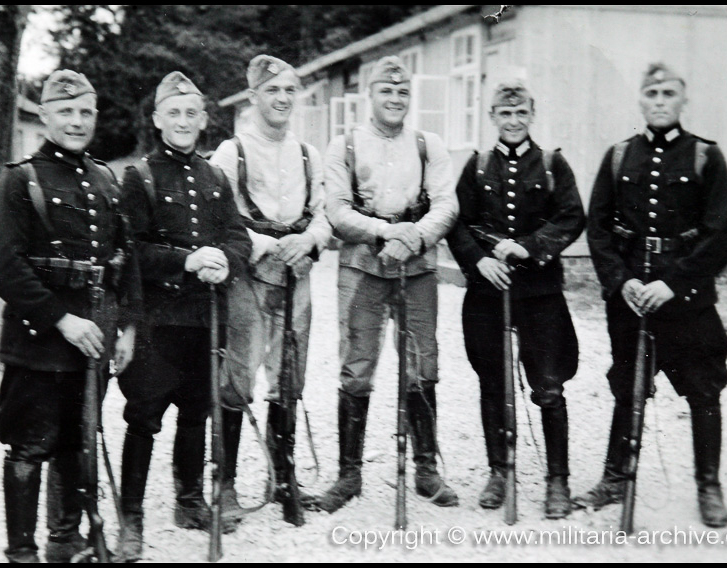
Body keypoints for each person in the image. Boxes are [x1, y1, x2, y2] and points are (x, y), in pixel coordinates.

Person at [0, 69, 140, 563]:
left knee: (78, 441)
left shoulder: (104, 179)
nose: (76, 122)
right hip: (39, 339)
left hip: (93, 339)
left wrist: (128, 327)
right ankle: (22, 553)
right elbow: (1, 266)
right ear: (45, 115)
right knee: (29, 446)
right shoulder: (20, 179)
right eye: (65, 111)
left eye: (85, 112)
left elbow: (125, 258)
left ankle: (65, 540)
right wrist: (61, 320)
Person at [578, 63, 727, 528]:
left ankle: (708, 484)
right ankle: (614, 478)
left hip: (685, 298)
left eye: (669, 92)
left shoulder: (706, 156)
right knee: (628, 386)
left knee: (703, 388)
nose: (660, 100)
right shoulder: (618, 156)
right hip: (631, 297)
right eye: (652, 92)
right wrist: (620, 281)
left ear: (683, 100)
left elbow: (722, 233)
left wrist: (674, 283)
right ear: (641, 101)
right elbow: (599, 229)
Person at [309, 56, 460, 513]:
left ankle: (426, 469)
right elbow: (336, 210)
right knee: (356, 365)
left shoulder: (427, 144)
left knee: (422, 363)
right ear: (369, 95)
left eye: (402, 93)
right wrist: (384, 232)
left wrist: (416, 235)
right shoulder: (345, 145)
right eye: (385, 91)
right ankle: (349, 474)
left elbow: (446, 205)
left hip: (416, 267)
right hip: (362, 266)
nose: (394, 99)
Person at [116, 71, 251, 561]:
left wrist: (224, 262)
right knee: (144, 418)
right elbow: (129, 251)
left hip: (204, 319)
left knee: (196, 413)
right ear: (157, 120)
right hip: (157, 323)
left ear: (203, 120)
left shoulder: (215, 178)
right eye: (173, 113)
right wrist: (185, 261)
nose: (183, 122)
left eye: (192, 113)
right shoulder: (139, 178)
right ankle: (131, 519)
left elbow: (238, 237)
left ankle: (189, 500)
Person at [446, 79, 586, 518]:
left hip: (538, 289)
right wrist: (478, 261)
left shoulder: (551, 164)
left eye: (520, 112)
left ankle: (557, 481)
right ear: (492, 117)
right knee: (493, 380)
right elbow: (457, 222)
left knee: (547, 385)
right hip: (490, 287)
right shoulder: (477, 166)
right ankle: (499, 470)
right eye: (504, 113)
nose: (513, 120)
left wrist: (531, 245)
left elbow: (571, 218)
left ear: (532, 115)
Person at [210, 55, 331, 521]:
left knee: (289, 378)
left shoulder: (307, 154)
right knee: (237, 380)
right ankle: (224, 486)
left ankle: (283, 479)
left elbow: (322, 212)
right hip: (249, 281)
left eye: (289, 91)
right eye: (272, 91)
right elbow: (222, 219)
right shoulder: (231, 151)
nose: (282, 99)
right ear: (254, 96)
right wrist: (264, 244)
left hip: (296, 279)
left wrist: (311, 240)